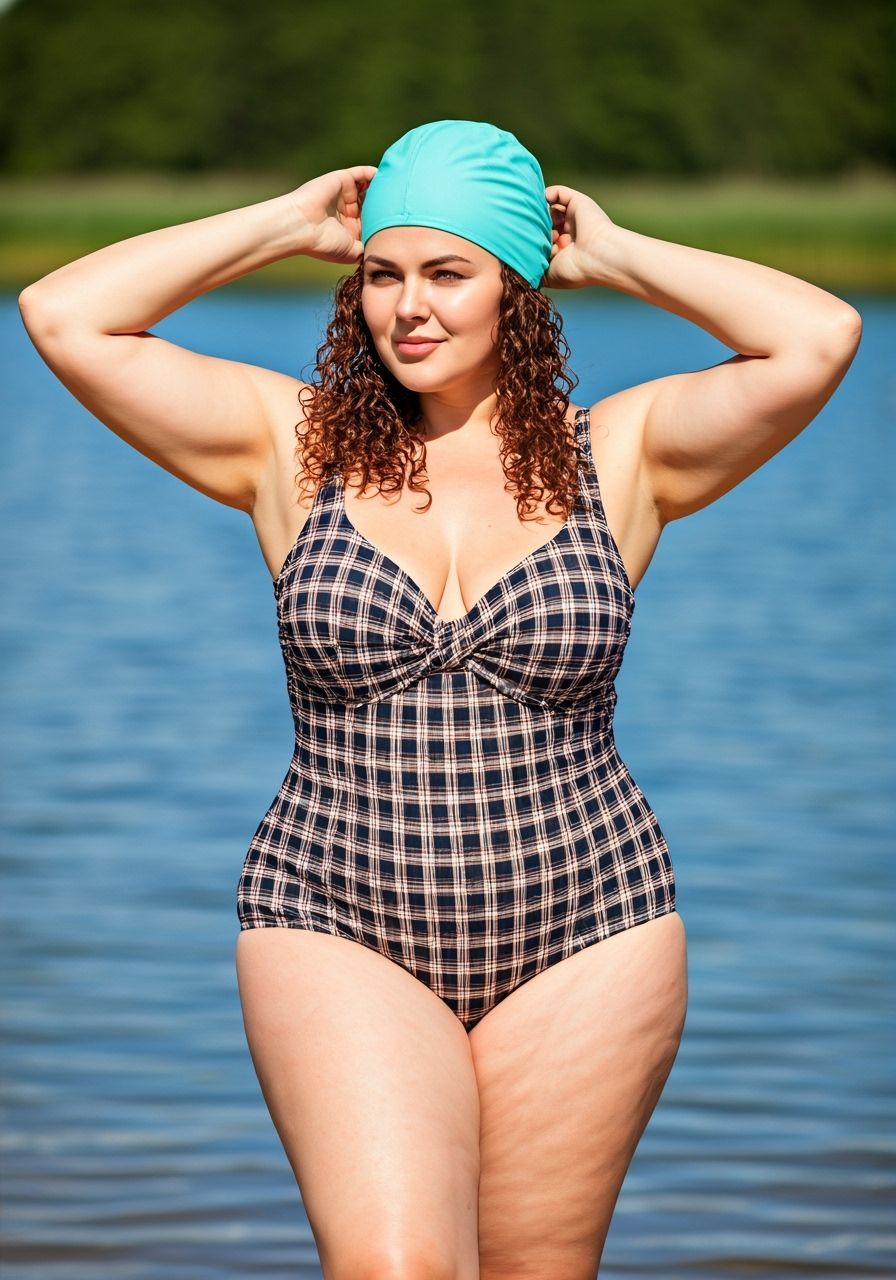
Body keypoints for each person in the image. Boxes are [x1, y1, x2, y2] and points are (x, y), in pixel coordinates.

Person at [18, 119, 861, 1279]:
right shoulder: (292, 448)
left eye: (448, 271)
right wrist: (282, 225)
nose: (407, 307)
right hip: (335, 915)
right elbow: (65, 314)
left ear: (514, 285)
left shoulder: (616, 456)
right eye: (382, 273)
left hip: (589, 927)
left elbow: (817, 337)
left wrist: (611, 253)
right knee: (396, 1263)